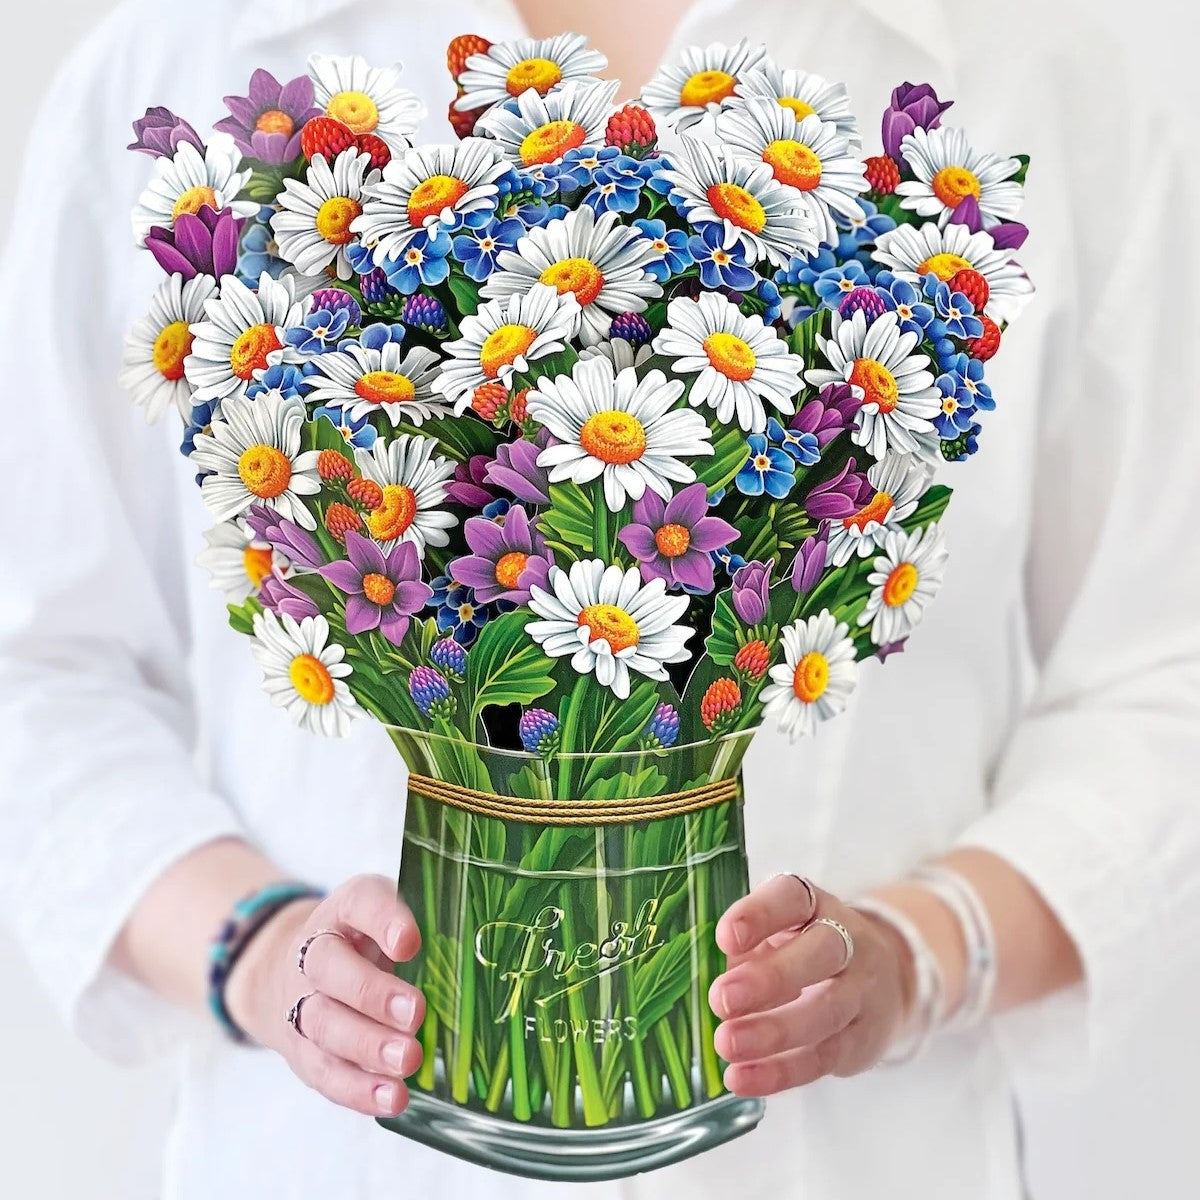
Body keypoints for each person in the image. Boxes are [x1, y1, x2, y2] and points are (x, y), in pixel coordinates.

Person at [1, 0, 1197, 1197]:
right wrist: (256, 951)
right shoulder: (175, 54)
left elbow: (1162, 681)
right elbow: (42, 669)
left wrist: (920, 954)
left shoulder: (1044, 69)